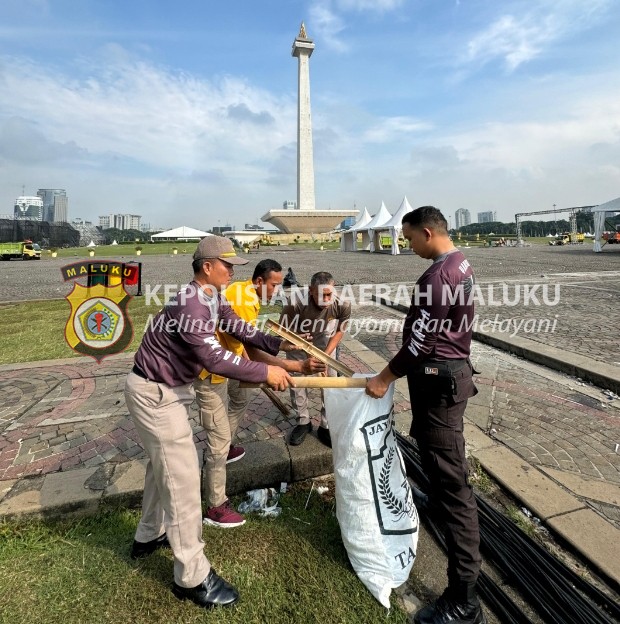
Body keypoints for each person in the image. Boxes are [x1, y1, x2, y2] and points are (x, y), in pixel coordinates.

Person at [125, 235, 297, 610]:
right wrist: (266, 372)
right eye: (227, 264)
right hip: (155, 394)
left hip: (162, 391)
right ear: (207, 267)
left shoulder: (211, 296)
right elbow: (215, 359)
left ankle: (149, 535)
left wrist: (279, 348)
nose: (233, 270)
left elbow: (239, 327)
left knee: (161, 470)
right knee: (184, 480)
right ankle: (192, 576)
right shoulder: (192, 303)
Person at [365, 207, 485, 624]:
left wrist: (383, 377)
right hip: (450, 376)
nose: (408, 245)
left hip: (440, 383)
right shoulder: (460, 262)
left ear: (428, 232)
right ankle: (435, 498)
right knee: (438, 467)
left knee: (454, 486)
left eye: (410, 238)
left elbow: (419, 342)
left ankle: (464, 600)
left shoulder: (437, 276)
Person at [195, 259, 325, 528]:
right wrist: (294, 365)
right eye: (274, 285)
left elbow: (251, 337)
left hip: (229, 361)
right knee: (217, 438)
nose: (277, 291)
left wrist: (283, 346)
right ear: (258, 282)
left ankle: (226, 447)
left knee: (240, 400)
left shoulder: (243, 293)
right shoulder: (241, 300)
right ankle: (215, 504)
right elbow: (253, 349)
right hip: (214, 370)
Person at [280, 271, 351, 447]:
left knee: (329, 382)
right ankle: (303, 421)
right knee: (297, 383)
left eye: (330, 294)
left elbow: (340, 331)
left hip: (325, 339)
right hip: (297, 339)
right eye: (322, 295)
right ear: (311, 290)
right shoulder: (295, 302)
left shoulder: (342, 304)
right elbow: (283, 329)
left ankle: (326, 425)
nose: (327, 299)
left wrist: (325, 356)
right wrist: (303, 346)